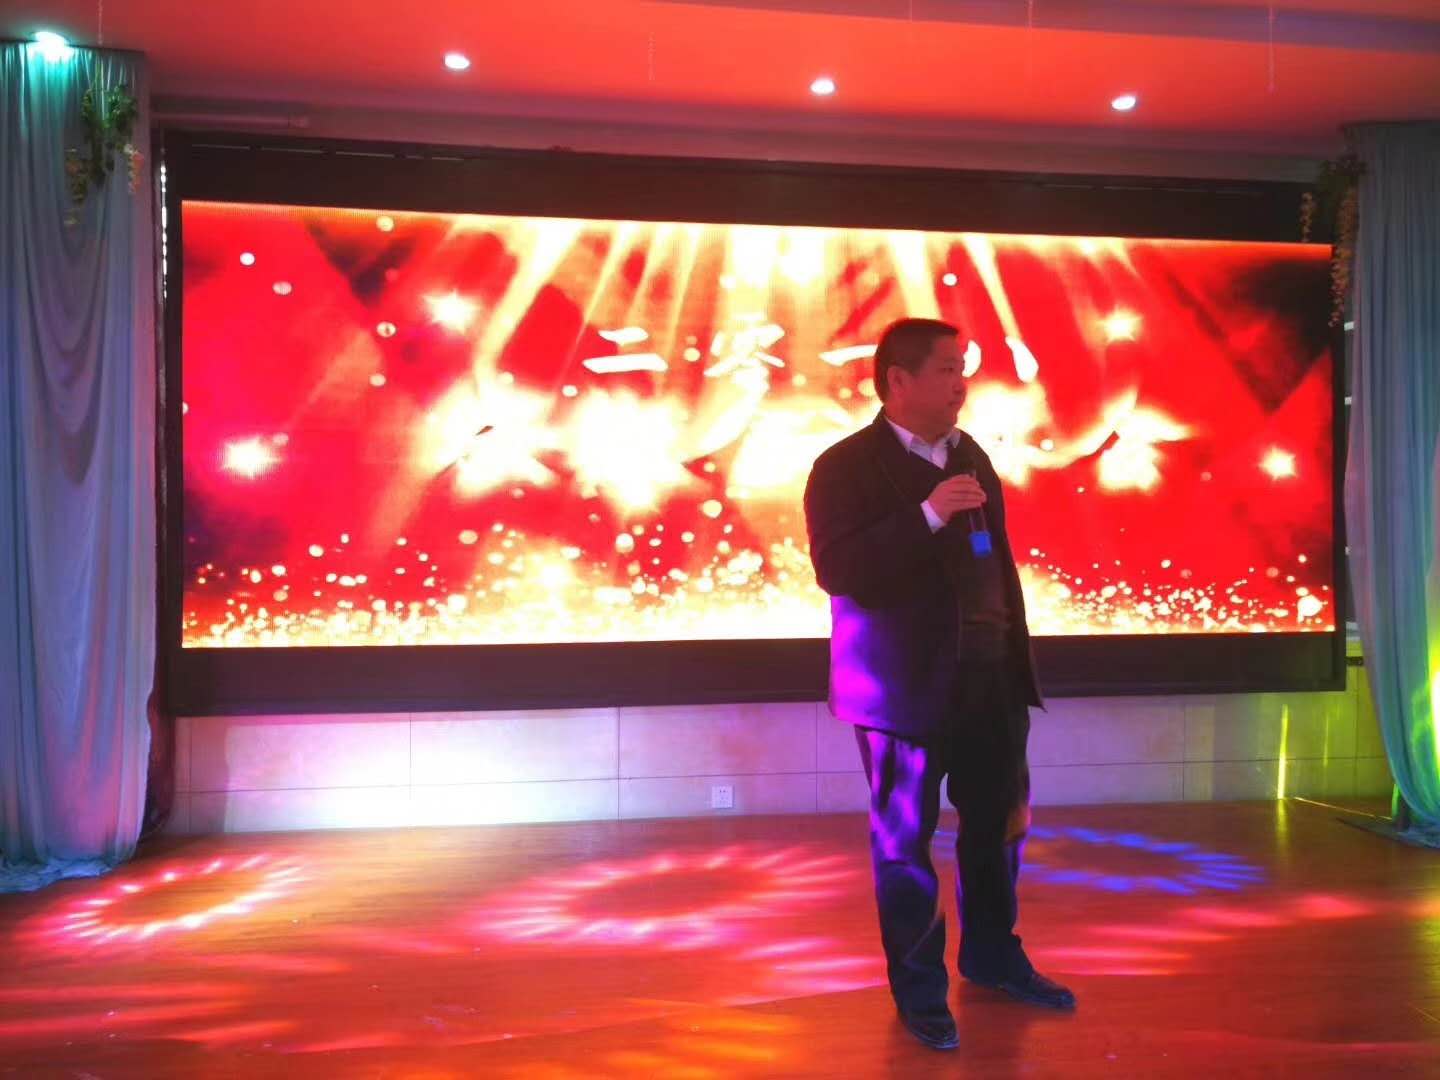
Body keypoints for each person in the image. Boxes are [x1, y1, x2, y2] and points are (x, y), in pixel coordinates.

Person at [803, 317, 1075, 1052]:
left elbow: (991, 559)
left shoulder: (970, 454)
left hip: (991, 683)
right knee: (905, 846)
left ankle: (992, 957)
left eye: (963, 369)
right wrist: (925, 515)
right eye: (948, 369)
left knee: (998, 829)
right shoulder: (844, 465)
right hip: (902, 694)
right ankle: (920, 992)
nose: (961, 384)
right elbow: (838, 571)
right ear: (898, 379)